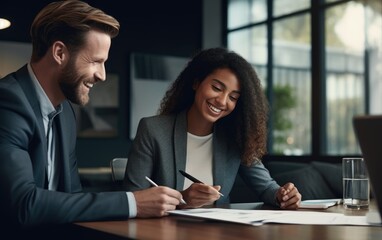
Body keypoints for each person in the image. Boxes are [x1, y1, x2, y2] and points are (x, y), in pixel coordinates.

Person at [0, 0, 184, 230]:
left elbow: (72, 198)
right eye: (96, 61)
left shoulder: (65, 112)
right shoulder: (8, 102)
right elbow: (23, 204)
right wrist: (133, 202)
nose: (102, 75)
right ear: (59, 53)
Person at [124, 47, 302, 209]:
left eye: (233, 97)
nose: (222, 101)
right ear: (196, 82)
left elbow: (266, 187)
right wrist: (182, 199)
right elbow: (134, 198)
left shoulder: (235, 138)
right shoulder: (153, 130)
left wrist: (283, 195)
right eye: (217, 88)